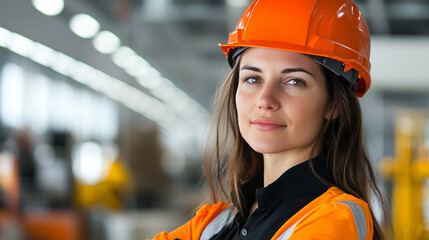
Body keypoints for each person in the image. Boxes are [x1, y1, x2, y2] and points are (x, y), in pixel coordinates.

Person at [149, 0, 386, 239]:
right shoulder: (214, 223)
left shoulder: (335, 220)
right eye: (253, 79)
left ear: (334, 104)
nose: (265, 99)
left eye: (295, 81)